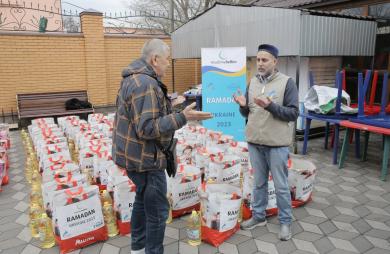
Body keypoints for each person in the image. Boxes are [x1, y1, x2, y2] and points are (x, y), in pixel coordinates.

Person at [112, 39, 212, 254]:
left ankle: (137, 248)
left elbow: (139, 115)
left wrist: (167, 105)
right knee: (157, 212)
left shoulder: (135, 78)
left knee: (141, 200)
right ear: (155, 59)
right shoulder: (146, 84)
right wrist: (182, 117)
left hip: (135, 157)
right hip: (147, 159)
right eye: (166, 59)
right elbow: (147, 128)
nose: (168, 64)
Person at [233, 44, 299, 241]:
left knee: (280, 186)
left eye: (264, 60)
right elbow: (247, 112)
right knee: (259, 184)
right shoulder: (252, 82)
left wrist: (271, 106)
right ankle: (258, 216)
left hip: (277, 144)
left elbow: (293, 113)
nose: (260, 64)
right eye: (258, 60)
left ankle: (286, 222)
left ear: (274, 62)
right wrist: (243, 106)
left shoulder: (287, 83)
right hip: (255, 141)